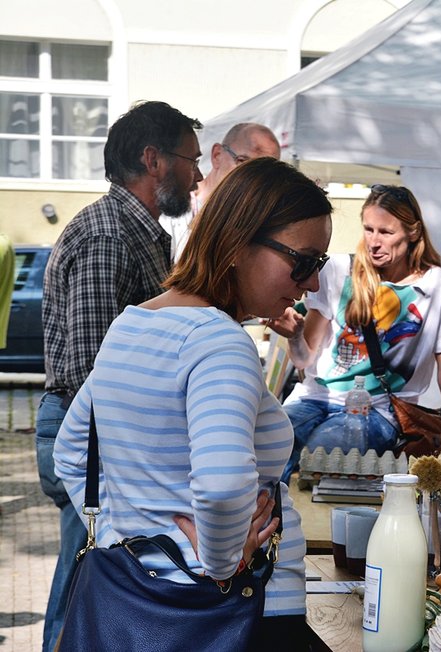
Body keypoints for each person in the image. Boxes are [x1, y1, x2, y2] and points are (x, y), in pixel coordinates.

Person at [54, 157, 331, 649]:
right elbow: (223, 485)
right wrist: (223, 563)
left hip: (139, 597)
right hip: (238, 611)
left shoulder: (131, 324)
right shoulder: (219, 341)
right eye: (305, 262)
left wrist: (127, 535)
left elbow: (72, 453)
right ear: (241, 243)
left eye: (320, 266)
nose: (311, 283)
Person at [37, 100, 202, 652]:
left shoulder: (142, 234)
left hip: (103, 440)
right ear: (153, 161)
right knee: (83, 591)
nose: (199, 174)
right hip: (90, 441)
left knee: (97, 588)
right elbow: (95, 376)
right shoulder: (107, 237)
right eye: (190, 160)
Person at [272, 184, 441, 481]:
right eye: (368, 229)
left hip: (379, 410)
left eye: (386, 232)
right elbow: (303, 361)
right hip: (315, 397)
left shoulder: (436, 285)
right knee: (266, 449)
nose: (374, 242)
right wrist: (294, 336)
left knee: (322, 459)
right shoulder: (337, 270)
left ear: (413, 232)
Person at [161, 122, 281, 262]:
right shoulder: (175, 209)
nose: (253, 177)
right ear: (217, 155)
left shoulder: (261, 223)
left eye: (267, 172)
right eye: (242, 162)